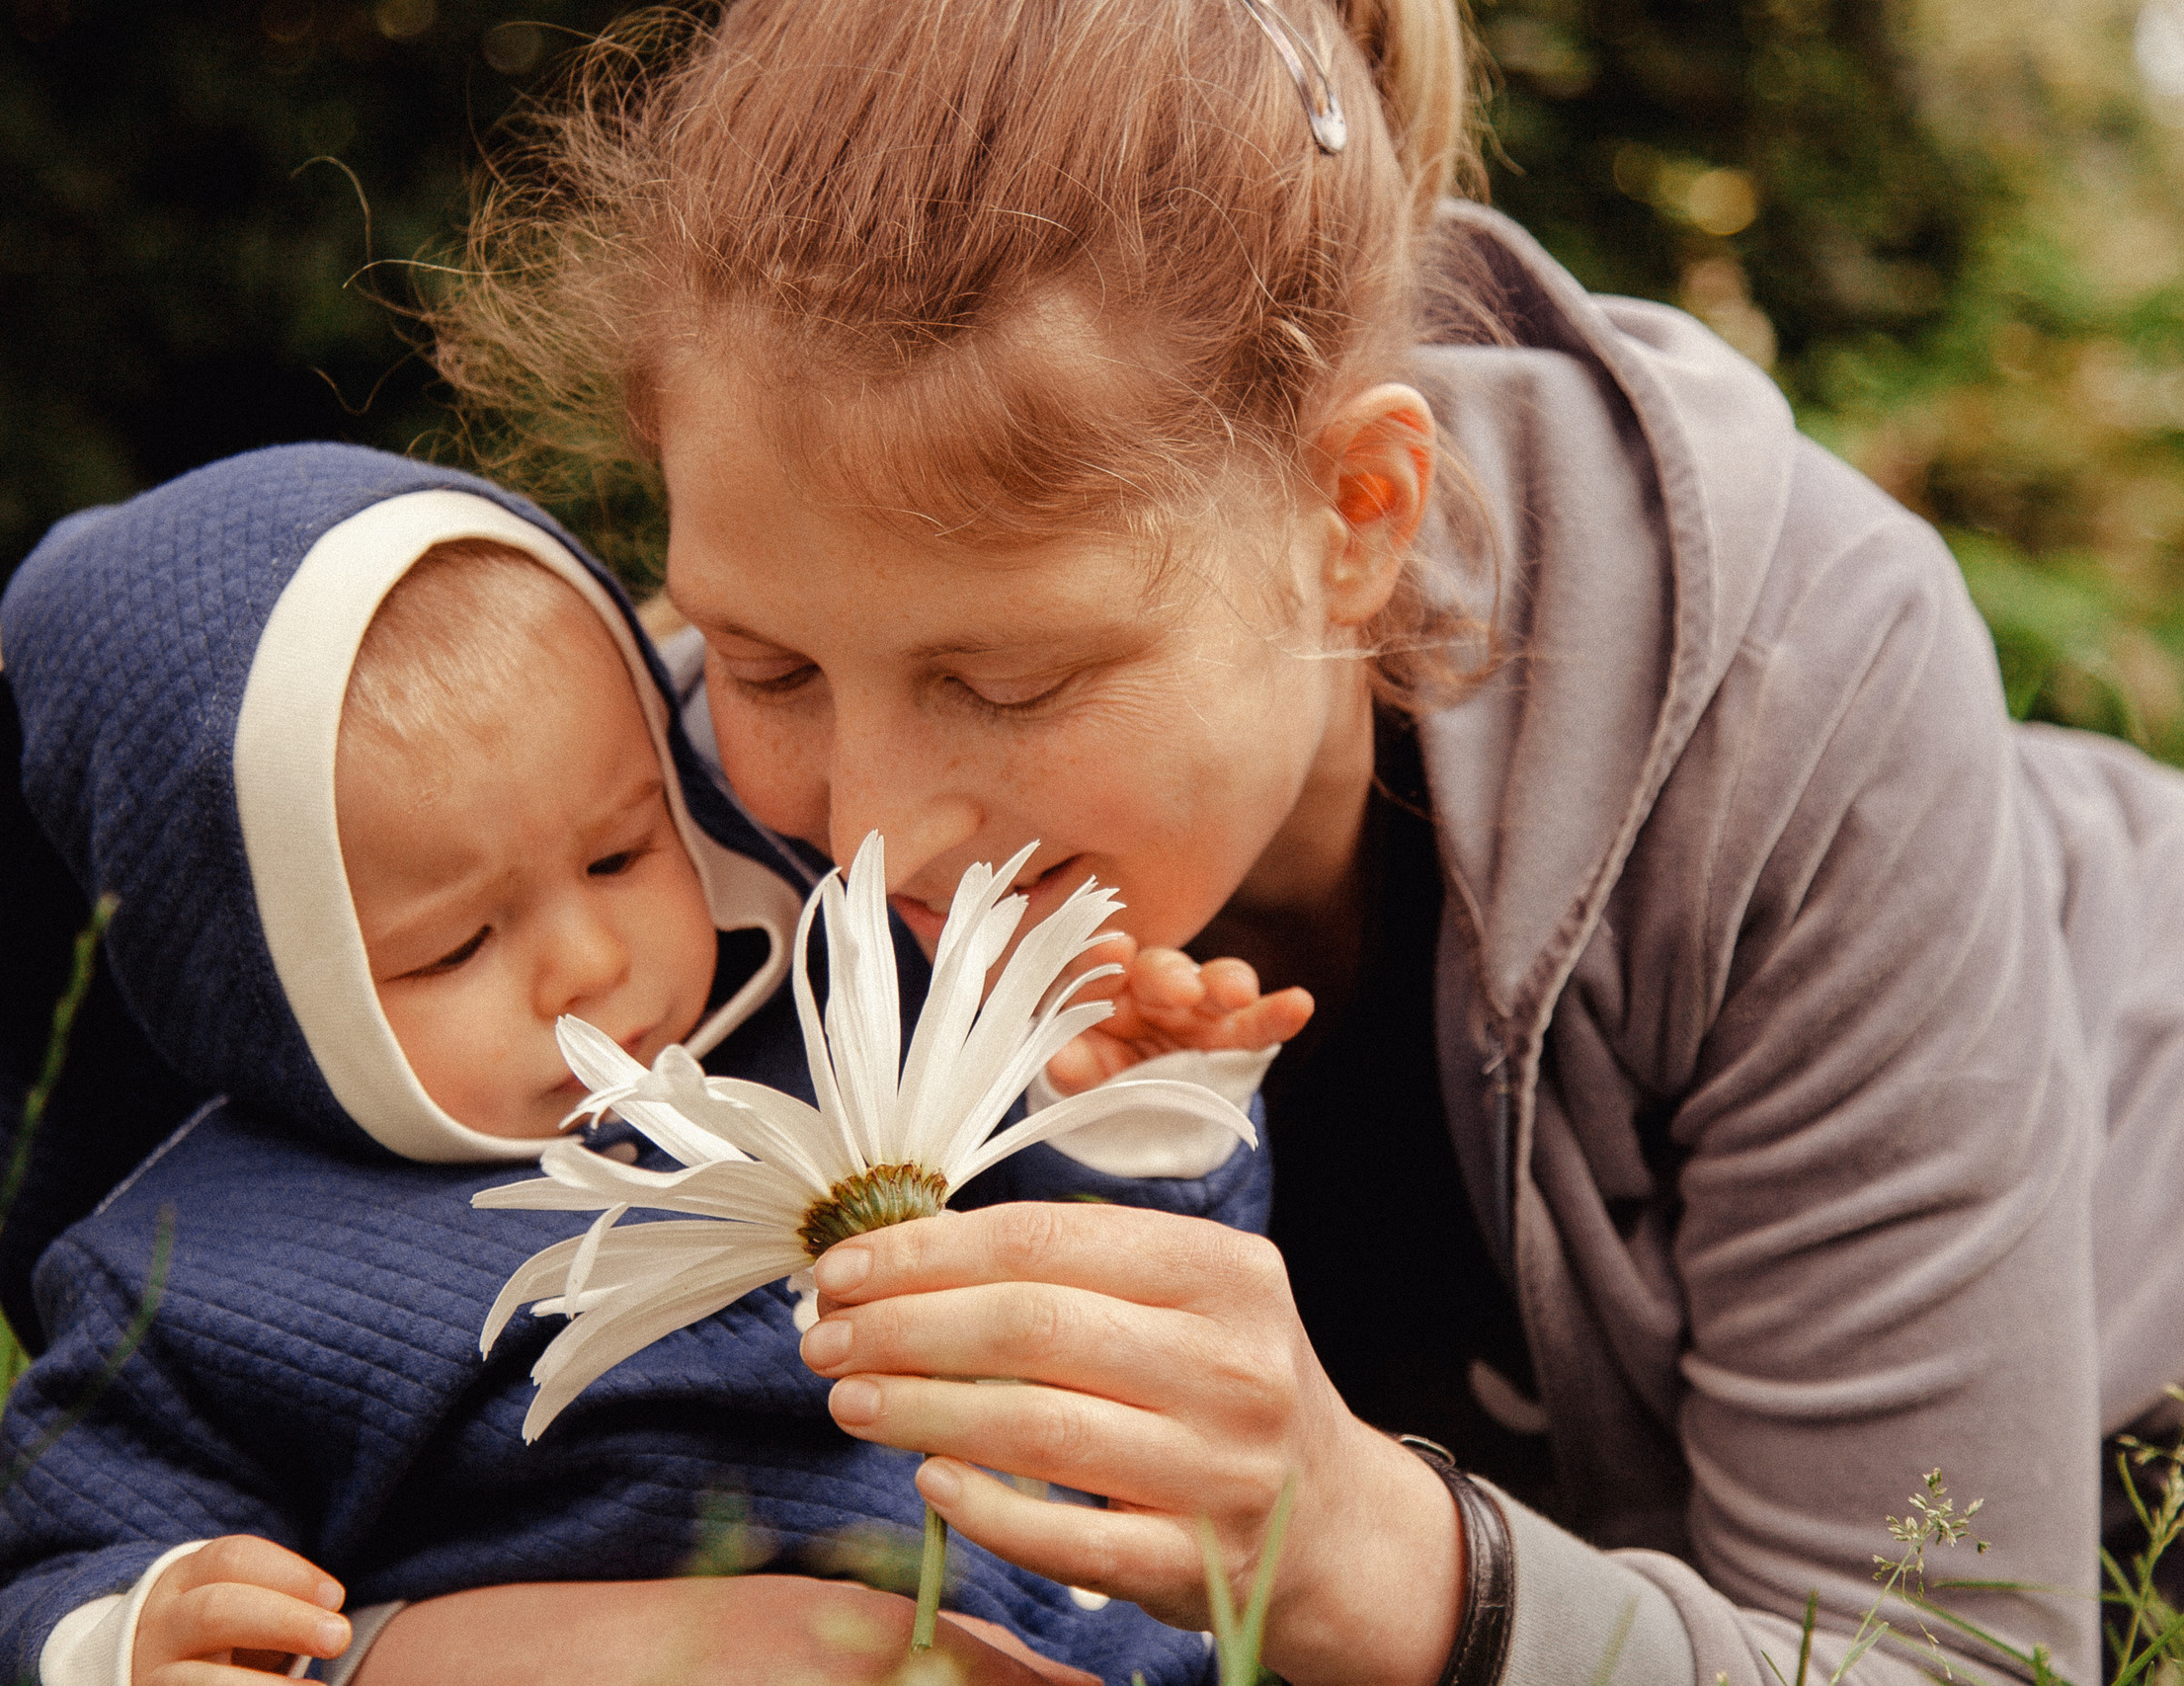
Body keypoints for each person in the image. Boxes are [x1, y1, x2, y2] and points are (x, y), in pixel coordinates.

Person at [417, 2, 2184, 1684]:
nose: (866, 830)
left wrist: (1363, 1555)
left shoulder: (1795, 689)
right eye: (770, 660)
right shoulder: (628, 831)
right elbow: (242, 1333)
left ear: (1356, 516)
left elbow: (1945, 1648)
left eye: (1008, 678)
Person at [0, 443, 1304, 1686]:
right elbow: (53, 1569)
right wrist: (124, 1634)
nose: (586, 968)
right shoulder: (194, 1276)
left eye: (622, 852)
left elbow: (1144, 1324)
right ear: (248, 992)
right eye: (453, 945)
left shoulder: (850, 1035)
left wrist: (1118, 1108)